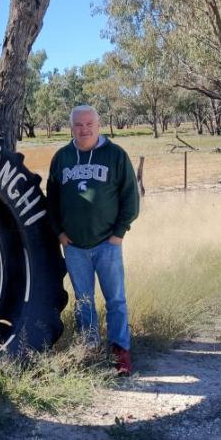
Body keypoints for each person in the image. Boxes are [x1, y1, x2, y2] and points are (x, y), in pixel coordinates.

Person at [46, 104, 140, 375]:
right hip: (74, 246)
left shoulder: (115, 155)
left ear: (99, 125)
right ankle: (89, 350)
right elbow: (51, 200)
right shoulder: (62, 158)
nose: (84, 129)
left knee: (116, 301)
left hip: (107, 244)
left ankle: (120, 352)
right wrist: (60, 234)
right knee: (83, 301)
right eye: (78, 124)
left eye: (89, 124)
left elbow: (130, 199)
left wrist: (119, 234)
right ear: (71, 127)